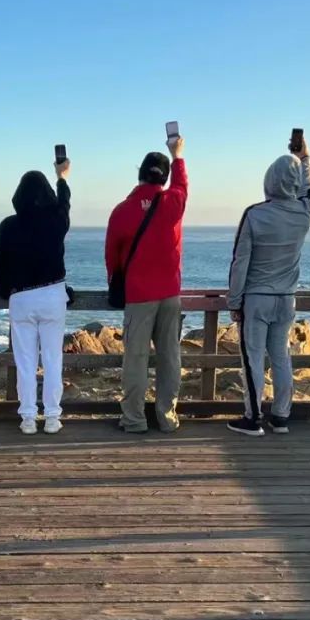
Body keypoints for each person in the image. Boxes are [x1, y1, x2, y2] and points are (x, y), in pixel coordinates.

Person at [226, 136, 310, 437]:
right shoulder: (304, 212)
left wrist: (234, 302)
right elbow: (309, 187)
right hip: (287, 298)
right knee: (281, 357)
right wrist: (305, 158)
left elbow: (240, 262)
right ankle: (280, 417)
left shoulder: (255, 214)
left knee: (253, 359)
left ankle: (253, 418)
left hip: (256, 298)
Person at [104, 134, 188, 433]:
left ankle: (134, 419)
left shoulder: (122, 211)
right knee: (170, 358)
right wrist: (178, 156)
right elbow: (182, 185)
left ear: (139, 173)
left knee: (136, 360)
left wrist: (117, 284)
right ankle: (167, 418)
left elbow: (111, 258)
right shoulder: (173, 202)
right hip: (170, 293)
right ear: (164, 178)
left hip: (138, 295)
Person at [0, 159, 72, 435]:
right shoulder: (56, 221)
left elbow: (0, 267)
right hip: (53, 296)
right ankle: (52, 417)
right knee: (53, 359)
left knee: (25, 362)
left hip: (22, 299)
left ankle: (27, 417)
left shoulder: (8, 225)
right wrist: (62, 178)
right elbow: (64, 204)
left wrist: (6, 292)